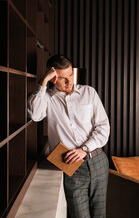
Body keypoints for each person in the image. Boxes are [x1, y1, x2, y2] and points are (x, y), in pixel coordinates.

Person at [28, 54, 110, 218]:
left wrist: (84, 149)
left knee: (100, 215)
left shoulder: (89, 92)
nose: (69, 81)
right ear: (53, 79)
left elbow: (103, 127)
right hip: (71, 167)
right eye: (63, 78)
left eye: (70, 75)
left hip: (98, 160)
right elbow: (35, 115)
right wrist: (42, 81)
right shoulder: (47, 99)